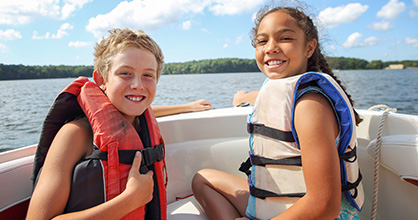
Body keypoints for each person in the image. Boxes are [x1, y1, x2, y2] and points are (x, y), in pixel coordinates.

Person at [192, 2, 364, 220]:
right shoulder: (285, 92)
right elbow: (265, 98)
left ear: (309, 48)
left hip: (315, 215)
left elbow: (325, 206)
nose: (270, 47)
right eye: (262, 41)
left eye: (285, 38)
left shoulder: (310, 106)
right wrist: (242, 97)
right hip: (277, 207)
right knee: (203, 179)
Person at [27, 28, 167, 220]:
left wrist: (189, 107)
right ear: (102, 79)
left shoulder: (142, 125)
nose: (137, 85)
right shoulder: (74, 135)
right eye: (125, 73)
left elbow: (149, 108)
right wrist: (130, 200)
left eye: (148, 75)